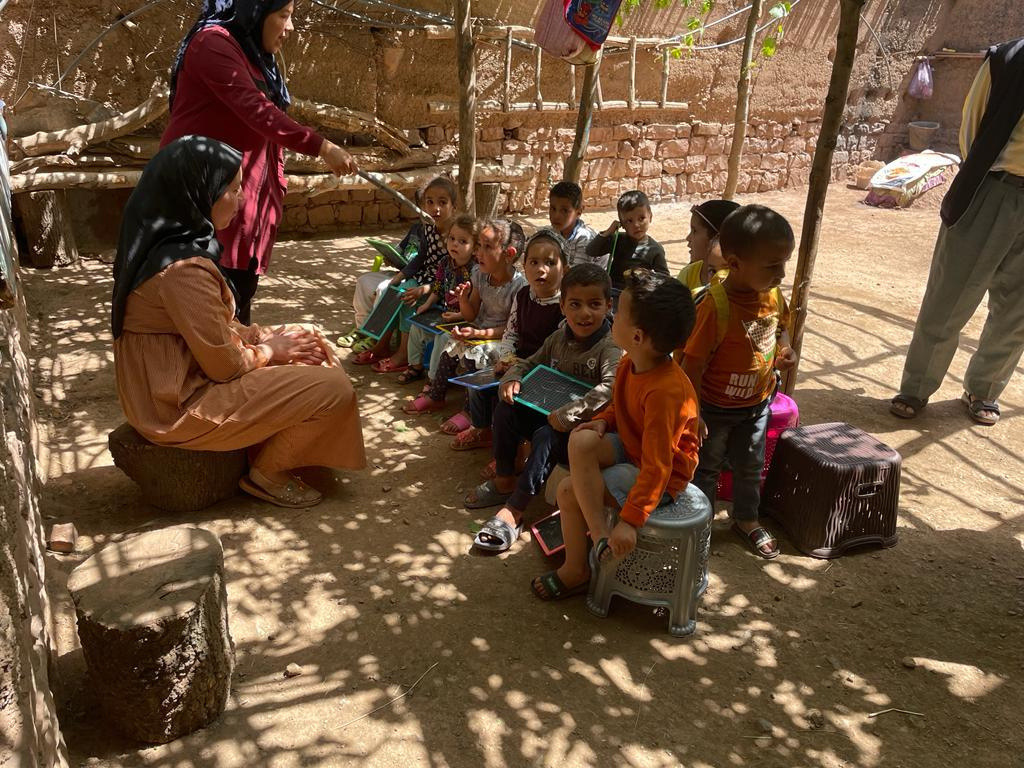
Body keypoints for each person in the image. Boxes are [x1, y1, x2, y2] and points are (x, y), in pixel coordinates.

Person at [112, 136, 366, 508]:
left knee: (311, 339)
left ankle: (269, 441)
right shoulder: (182, 271)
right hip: (178, 406)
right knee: (334, 389)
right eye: (232, 189)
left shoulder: (171, 247)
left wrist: (270, 336)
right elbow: (225, 364)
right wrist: (269, 349)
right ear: (201, 192)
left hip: (183, 383)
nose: (243, 198)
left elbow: (214, 328)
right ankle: (267, 473)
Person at [162, 0, 358, 324]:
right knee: (211, 310)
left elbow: (266, 133)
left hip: (240, 208)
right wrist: (322, 147)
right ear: (255, 9)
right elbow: (257, 111)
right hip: (203, 206)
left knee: (236, 305)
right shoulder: (212, 44)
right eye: (284, 16)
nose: (290, 28)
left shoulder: (251, 54)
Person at [532, 270, 700, 600]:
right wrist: (604, 422)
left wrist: (631, 522)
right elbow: (620, 405)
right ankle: (598, 536)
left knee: (568, 492)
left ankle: (583, 561)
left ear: (637, 336)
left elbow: (658, 467)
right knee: (580, 440)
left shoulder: (666, 392)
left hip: (661, 478)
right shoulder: (630, 364)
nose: (612, 316)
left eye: (618, 312)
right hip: (632, 447)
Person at [891, 37, 1024, 427]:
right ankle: (916, 388)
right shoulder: (1008, 59)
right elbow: (973, 125)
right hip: (993, 188)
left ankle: (983, 390)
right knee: (950, 295)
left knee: (1016, 310)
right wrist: (982, 178)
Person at [467, 263, 622, 554]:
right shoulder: (557, 338)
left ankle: (514, 510)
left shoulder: (610, 347)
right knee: (506, 409)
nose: (584, 313)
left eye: (594, 304)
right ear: (562, 306)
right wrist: (512, 378)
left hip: (583, 434)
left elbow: (609, 389)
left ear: (608, 306)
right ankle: (504, 479)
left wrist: (569, 414)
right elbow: (528, 363)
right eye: (575, 304)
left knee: (546, 435)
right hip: (552, 415)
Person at [681, 205, 797, 559]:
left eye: (784, 263)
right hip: (714, 409)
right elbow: (692, 363)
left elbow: (781, 327)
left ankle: (746, 518)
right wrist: (695, 411)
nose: (780, 273)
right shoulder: (714, 307)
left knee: (751, 465)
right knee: (708, 467)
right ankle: (698, 522)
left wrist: (785, 348)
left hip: (756, 404)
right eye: (772, 265)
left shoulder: (773, 295)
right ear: (734, 261)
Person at [452, 228, 569, 465]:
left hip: (543, 370)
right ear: (524, 266)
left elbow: (558, 352)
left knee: (506, 397)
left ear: (565, 268)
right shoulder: (524, 295)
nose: (541, 269)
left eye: (550, 262)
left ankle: (510, 451)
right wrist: (506, 357)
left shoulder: (566, 305)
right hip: (517, 362)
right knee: (480, 378)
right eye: (534, 262)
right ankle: (483, 429)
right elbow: (511, 332)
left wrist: (520, 369)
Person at [422, 219, 528, 438]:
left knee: (475, 355)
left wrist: (478, 333)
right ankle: (436, 395)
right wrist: (463, 300)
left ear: (508, 254)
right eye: (478, 245)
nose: (478, 252)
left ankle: (470, 412)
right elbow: (471, 314)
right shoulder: (480, 275)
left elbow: (510, 328)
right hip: (479, 332)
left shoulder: (519, 287)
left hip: (501, 340)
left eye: (487, 247)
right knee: (451, 346)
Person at [346, 177, 458, 364]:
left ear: (453, 206)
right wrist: (397, 278)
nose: (435, 208)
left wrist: (425, 289)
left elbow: (451, 274)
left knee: (406, 296)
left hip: (443, 288)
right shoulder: (428, 228)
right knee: (395, 292)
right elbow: (420, 258)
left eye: (442, 202)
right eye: (430, 202)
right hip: (424, 279)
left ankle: (403, 354)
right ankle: (380, 344)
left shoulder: (454, 236)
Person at [400, 214, 480, 411]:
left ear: (475, 247)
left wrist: (459, 316)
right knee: (416, 326)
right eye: (452, 238)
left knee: (442, 339)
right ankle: (415, 366)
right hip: (444, 312)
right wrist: (426, 305)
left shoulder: (475, 270)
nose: (455, 244)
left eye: (463, 241)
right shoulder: (445, 263)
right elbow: (437, 288)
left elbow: (476, 307)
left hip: (465, 319)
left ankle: (434, 381)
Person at [585, 190, 669, 291]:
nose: (636, 225)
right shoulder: (618, 240)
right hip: (613, 291)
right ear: (622, 224)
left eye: (641, 218)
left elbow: (664, 278)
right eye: (629, 221)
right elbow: (591, 251)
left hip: (637, 296)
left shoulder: (654, 249)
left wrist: (648, 279)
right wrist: (608, 232)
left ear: (650, 217)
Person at [678, 199, 740, 291]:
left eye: (695, 231)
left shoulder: (740, 282)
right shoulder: (687, 275)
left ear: (717, 238)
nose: (688, 238)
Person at [547, 181, 598, 267]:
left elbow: (576, 276)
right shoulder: (551, 232)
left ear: (579, 212)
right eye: (553, 208)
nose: (556, 216)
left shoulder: (584, 239)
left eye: (564, 211)